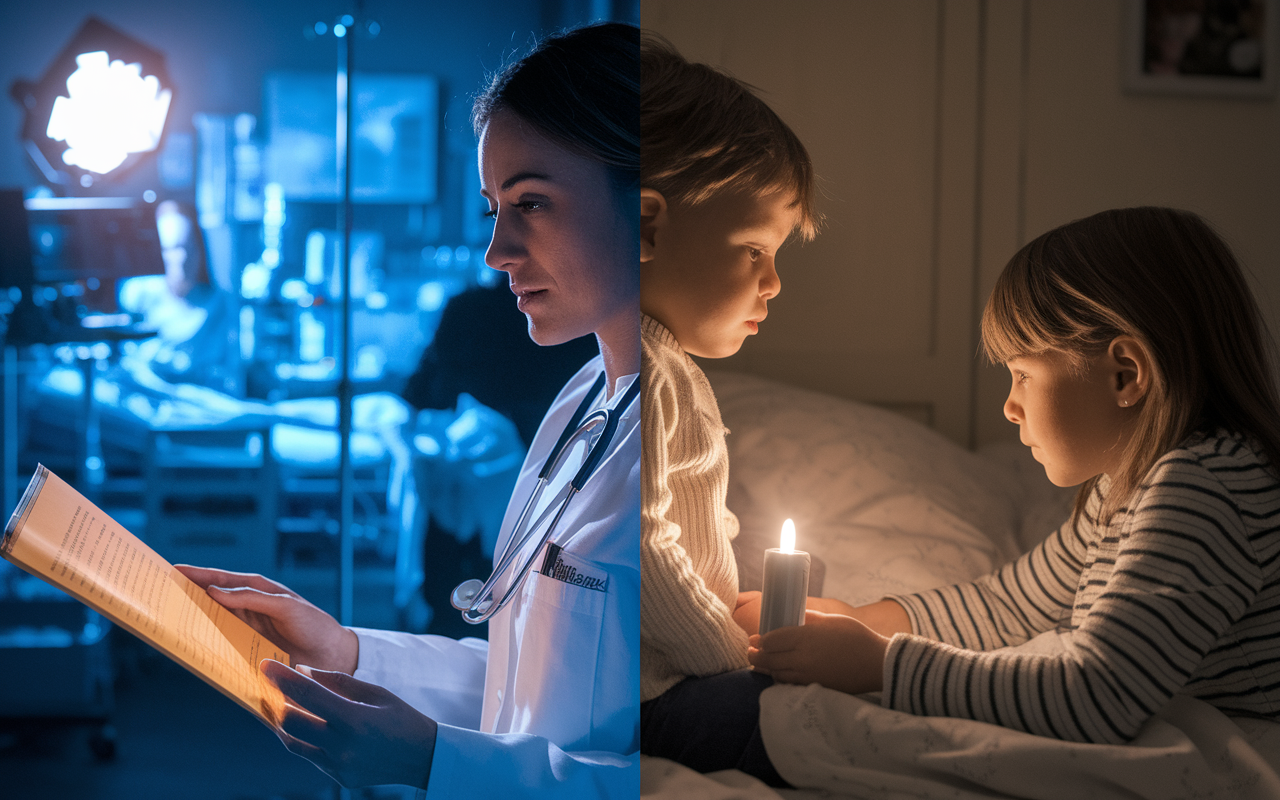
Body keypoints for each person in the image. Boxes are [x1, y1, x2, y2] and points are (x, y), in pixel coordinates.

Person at [176, 22, 640, 797]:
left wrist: (438, 763)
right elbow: (527, 692)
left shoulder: (681, 454)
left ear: (645, 206)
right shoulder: (581, 405)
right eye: (493, 206)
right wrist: (348, 651)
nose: (496, 250)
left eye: (532, 202)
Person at [747, 207, 1280, 752]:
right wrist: (862, 620)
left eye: (1023, 374)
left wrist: (881, 664)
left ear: (1127, 374)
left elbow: (1095, 699)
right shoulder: (1126, 487)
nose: (1009, 407)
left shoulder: (1200, 488)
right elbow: (1010, 605)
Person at [636, 33, 821, 785]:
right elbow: (644, 549)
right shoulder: (646, 370)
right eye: (755, 251)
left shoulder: (662, 363)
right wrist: (725, 652)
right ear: (648, 227)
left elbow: (687, 524)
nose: (773, 283)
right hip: (657, 694)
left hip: (674, 672)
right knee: (822, 724)